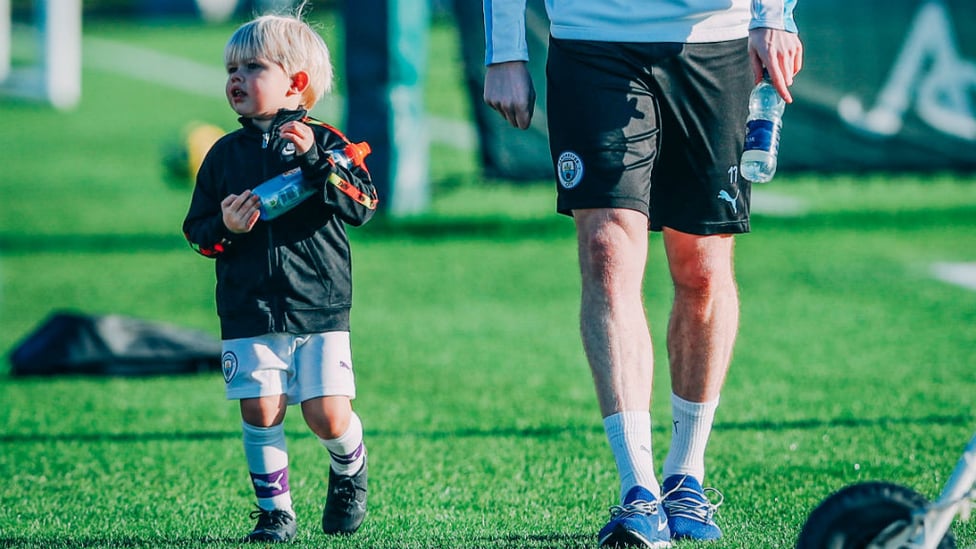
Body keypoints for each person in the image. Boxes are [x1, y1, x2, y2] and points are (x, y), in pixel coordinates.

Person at [484, 1, 802, 547]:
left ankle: (686, 478)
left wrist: (775, 14)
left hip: (714, 39)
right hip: (592, 39)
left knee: (702, 266)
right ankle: (639, 492)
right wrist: (506, 48)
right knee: (607, 253)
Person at [182, 6, 378, 543]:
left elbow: (363, 204)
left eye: (251, 68)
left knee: (327, 417)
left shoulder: (329, 142)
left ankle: (349, 468)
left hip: (318, 303)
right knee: (262, 407)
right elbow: (197, 232)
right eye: (230, 71)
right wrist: (225, 227)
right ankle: (275, 513)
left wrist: (317, 161)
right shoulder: (223, 155)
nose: (235, 80)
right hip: (249, 304)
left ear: (296, 83)